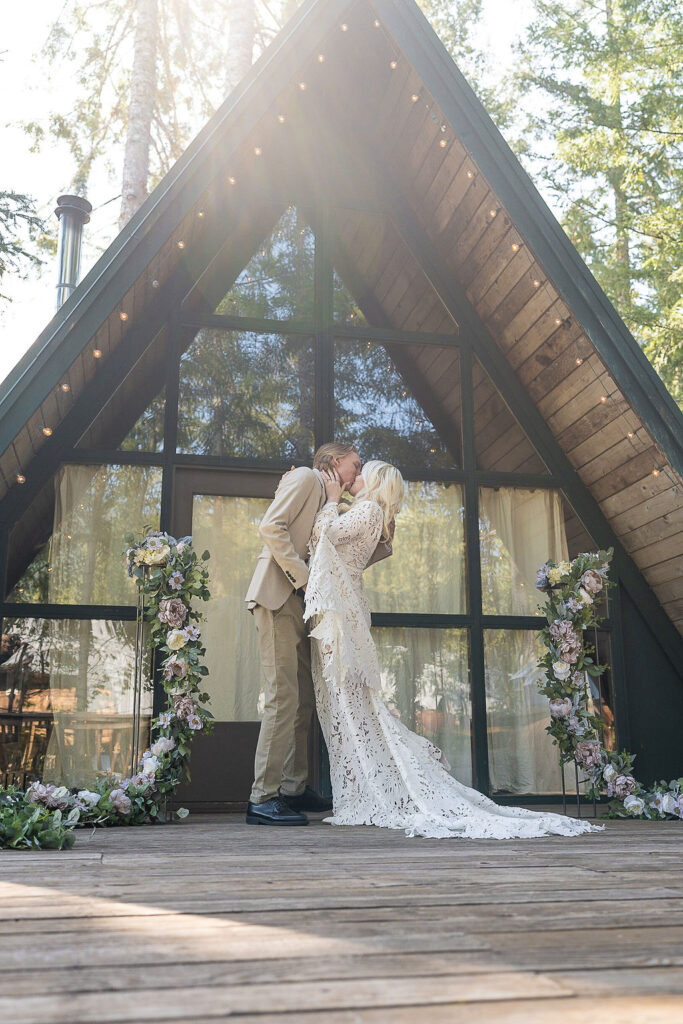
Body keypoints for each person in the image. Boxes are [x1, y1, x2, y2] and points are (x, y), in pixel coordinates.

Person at [304, 459, 605, 840]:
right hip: (347, 606)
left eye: (365, 471)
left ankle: (373, 788)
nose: (357, 475)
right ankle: (362, 784)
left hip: (342, 611)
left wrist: (330, 500)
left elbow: (323, 536)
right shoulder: (375, 517)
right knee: (349, 702)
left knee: (350, 702)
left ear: (375, 482)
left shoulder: (366, 510)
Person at [244, 442, 392, 826]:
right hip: (279, 595)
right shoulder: (305, 477)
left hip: (303, 605)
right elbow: (270, 527)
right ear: (334, 462)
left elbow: (345, 551)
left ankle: (293, 788)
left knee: (305, 698)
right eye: (354, 465)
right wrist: (305, 580)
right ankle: (262, 797)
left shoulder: (332, 501)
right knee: (283, 696)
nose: (357, 475)